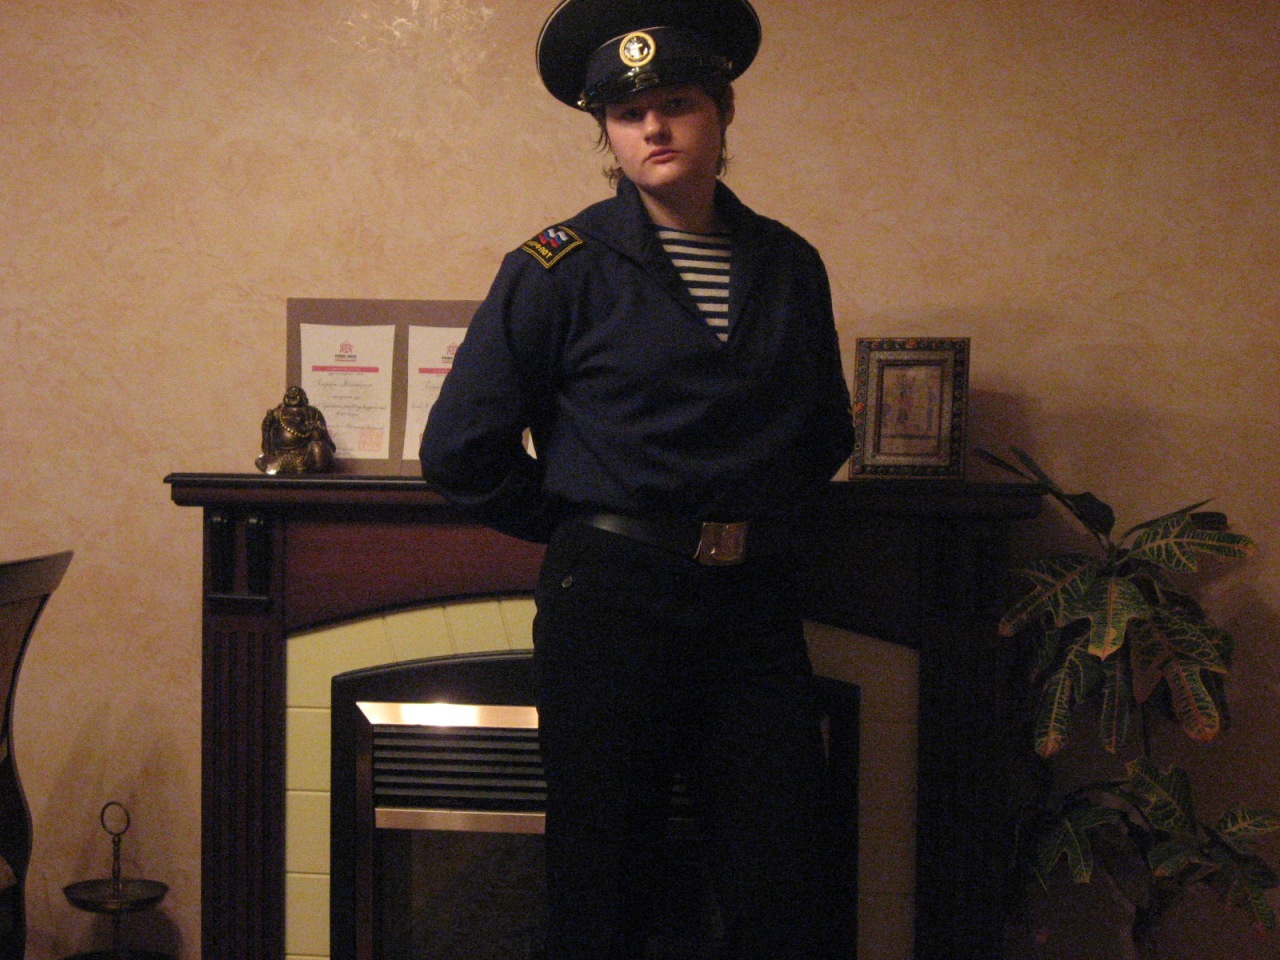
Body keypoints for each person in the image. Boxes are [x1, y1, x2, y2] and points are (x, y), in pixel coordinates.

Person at [420, 0, 855, 956]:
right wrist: (584, 523)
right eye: (628, 113)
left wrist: (750, 516)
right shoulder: (556, 267)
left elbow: (824, 428)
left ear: (722, 112)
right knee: (604, 881)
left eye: (678, 103)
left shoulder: (790, 264)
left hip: (754, 606)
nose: (654, 127)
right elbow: (458, 449)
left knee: (784, 881)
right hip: (611, 607)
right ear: (607, 135)